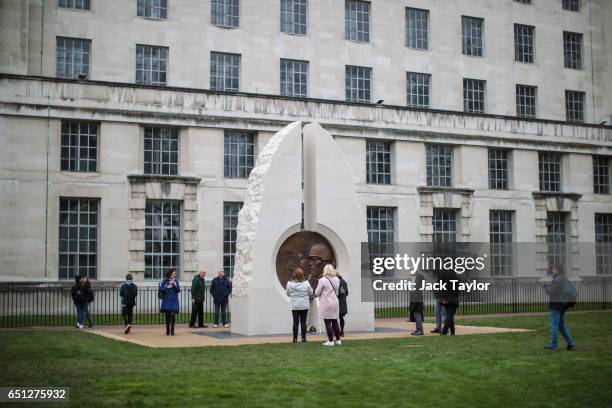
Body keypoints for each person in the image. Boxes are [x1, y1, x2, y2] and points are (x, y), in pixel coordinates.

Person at [544, 264, 576, 351]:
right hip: (563, 305)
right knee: (561, 325)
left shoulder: (556, 280)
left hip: (556, 305)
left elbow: (551, 291)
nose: (553, 270)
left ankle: (553, 344)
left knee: (553, 325)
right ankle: (570, 343)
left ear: (557, 269)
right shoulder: (564, 279)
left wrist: (546, 287)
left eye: (554, 268)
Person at [314, 264, 342, 346]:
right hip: (335, 302)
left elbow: (317, 292)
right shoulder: (337, 279)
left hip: (326, 302)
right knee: (335, 321)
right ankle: (338, 340)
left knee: (327, 322)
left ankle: (330, 341)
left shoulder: (322, 280)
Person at [286, 267, 313, 343]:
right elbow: (311, 293)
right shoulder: (306, 283)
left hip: (295, 306)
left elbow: (287, 293)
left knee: (295, 322)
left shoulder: (289, 284)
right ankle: (304, 338)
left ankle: (294, 339)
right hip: (304, 305)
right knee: (303, 322)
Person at [159, 269, 181, 336]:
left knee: (173, 315)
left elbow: (178, 290)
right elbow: (161, 289)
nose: (175, 275)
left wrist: (174, 285)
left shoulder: (176, 280)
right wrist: (167, 287)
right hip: (167, 300)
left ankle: (172, 330)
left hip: (174, 300)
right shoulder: (165, 280)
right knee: (167, 316)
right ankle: (167, 330)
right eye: (173, 273)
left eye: (175, 273)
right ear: (170, 274)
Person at [439, 269, 460, 336]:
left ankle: (451, 331)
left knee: (449, 316)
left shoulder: (445, 279)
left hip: (447, 300)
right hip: (453, 300)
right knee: (449, 316)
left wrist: (444, 299)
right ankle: (445, 331)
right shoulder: (457, 279)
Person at [409, 271, 425, 336]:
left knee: (417, 315)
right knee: (416, 315)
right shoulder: (414, 279)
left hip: (417, 300)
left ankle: (420, 330)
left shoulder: (418, 279)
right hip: (415, 299)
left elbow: (415, 290)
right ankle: (418, 329)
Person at [337, 272, 349, 337]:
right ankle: (342, 330)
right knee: (341, 317)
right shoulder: (344, 282)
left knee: (335, 318)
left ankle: (336, 331)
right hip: (343, 302)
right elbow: (347, 293)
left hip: (338, 302)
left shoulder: (337, 281)